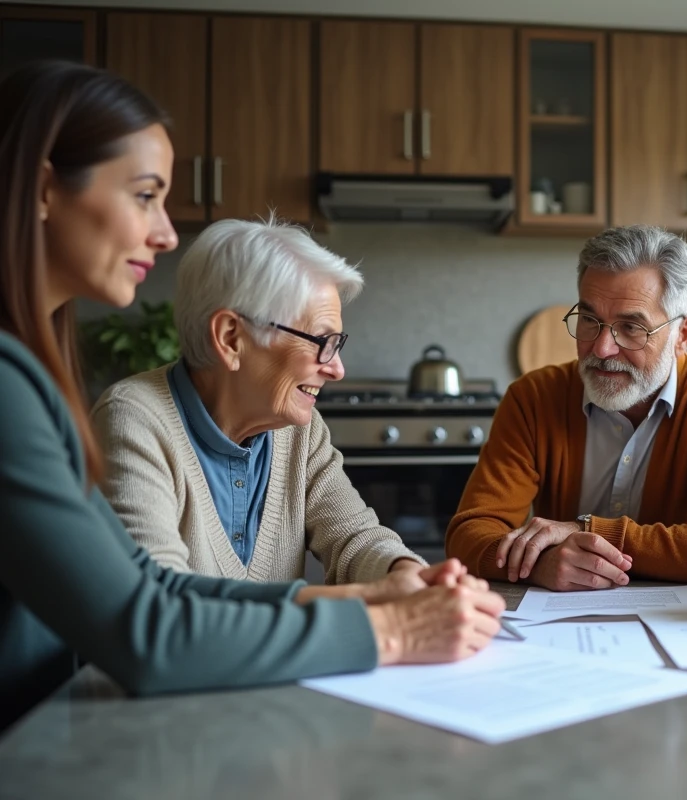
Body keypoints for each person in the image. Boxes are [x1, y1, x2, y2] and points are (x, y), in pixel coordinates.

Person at [0, 61, 503, 732]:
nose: (167, 233)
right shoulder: (46, 397)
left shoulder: (29, 376)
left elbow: (154, 593)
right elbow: (147, 633)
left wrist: (391, 588)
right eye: (145, 195)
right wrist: (393, 632)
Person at [92, 217, 434, 591]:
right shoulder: (133, 420)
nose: (337, 369)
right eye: (321, 341)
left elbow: (354, 537)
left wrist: (407, 573)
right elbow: (160, 599)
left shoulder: (302, 430)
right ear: (231, 338)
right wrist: (348, 604)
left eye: (338, 343)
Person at [446, 225, 687, 589]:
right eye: (589, 320)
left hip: (682, 623)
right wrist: (542, 563)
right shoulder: (532, 397)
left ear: (682, 336)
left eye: (631, 327)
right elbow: (469, 536)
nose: (601, 349)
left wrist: (583, 532)